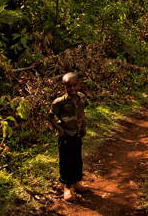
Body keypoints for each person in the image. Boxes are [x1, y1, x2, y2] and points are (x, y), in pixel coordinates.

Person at [50, 72, 89, 201]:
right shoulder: (59, 102)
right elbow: (50, 117)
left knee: (77, 159)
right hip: (66, 136)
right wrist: (60, 130)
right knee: (66, 161)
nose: (72, 89)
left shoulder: (82, 98)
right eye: (68, 87)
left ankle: (77, 183)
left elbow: (82, 113)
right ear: (64, 87)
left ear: (79, 85)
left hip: (77, 135)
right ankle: (67, 187)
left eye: (74, 86)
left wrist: (83, 127)